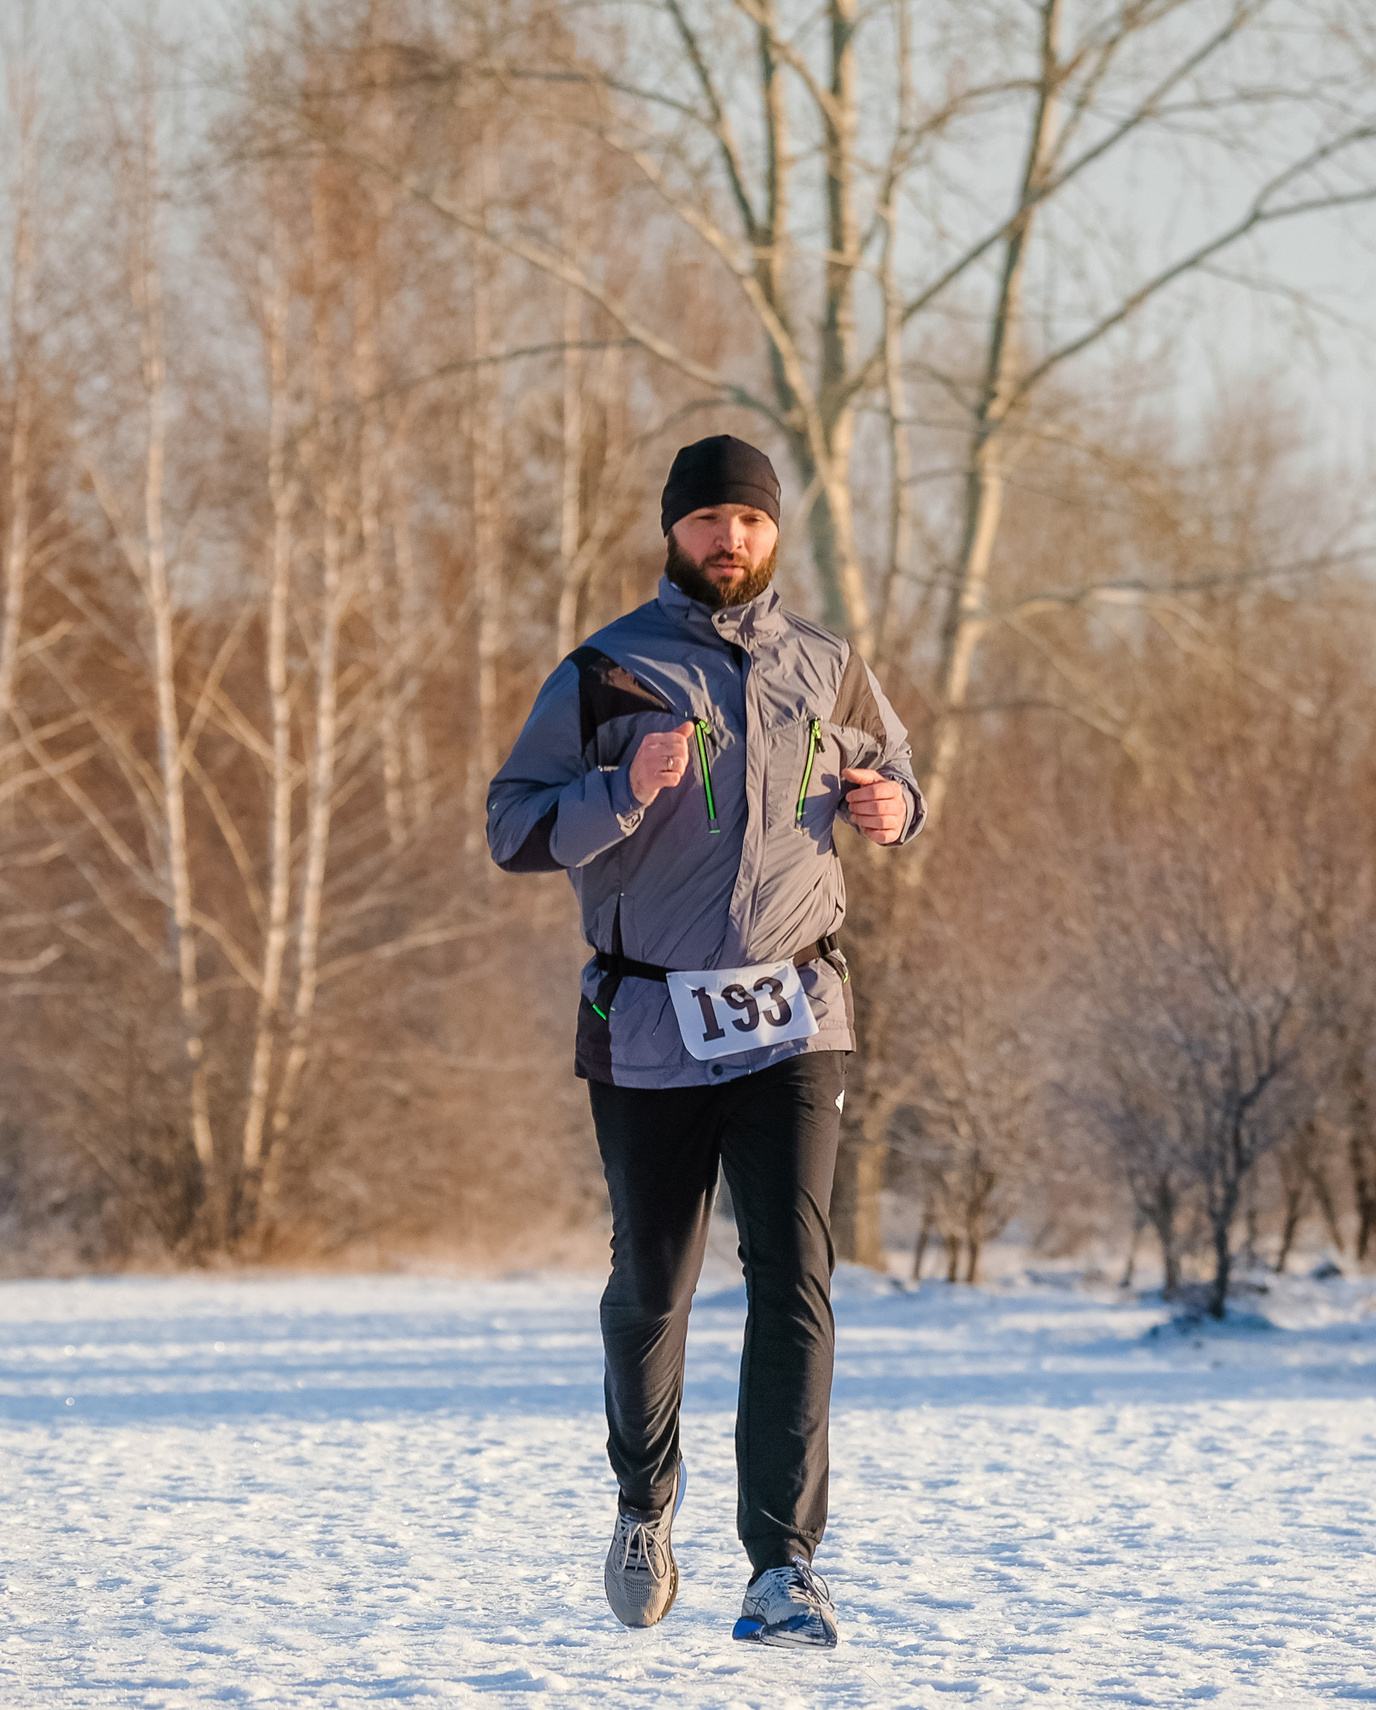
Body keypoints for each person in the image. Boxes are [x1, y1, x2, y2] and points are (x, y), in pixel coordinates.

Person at [485, 434, 926, 1648]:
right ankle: (643, 1501)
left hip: (793, 1016)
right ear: (670, 531)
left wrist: (900, 807)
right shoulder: (607, 670)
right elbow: (511, 831)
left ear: (774, 532)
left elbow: (892, 774)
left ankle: (781, 1566)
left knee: (793, 1276)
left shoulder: (828, 667)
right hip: (647, 1021)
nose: (729, 539)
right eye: (706, 520)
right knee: (653, 1283)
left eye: (749, 519)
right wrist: (617, 796)